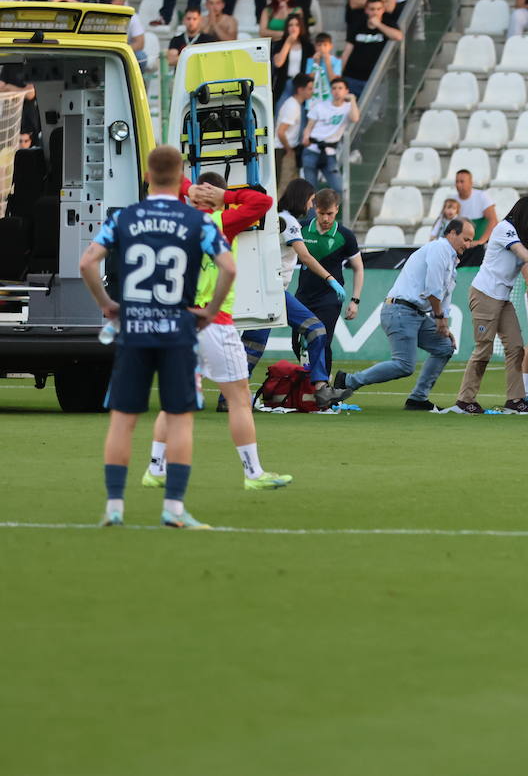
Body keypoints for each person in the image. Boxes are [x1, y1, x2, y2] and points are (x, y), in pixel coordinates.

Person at [78, 146, 233, 529]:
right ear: (182, 178)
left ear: (146, 175)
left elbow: (86, 262)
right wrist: (210, 311)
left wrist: (107, 303)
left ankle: (115, 505)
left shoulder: (125, 218)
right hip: (178, 329)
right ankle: (174, 509)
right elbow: (228, 268)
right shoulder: (201, 221)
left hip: (134, 326)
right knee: (180, 420)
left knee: (123, 419)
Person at [144, 171, 297, 496]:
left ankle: (155, 468)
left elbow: (159, 170)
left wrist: (189, 188)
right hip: (213, 320)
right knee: (239, 398)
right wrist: (223, 197)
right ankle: (253, 472)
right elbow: (264, 201)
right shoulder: (222, 221)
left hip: (178, 319)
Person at [331, 219, 475, 410]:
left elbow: (444, 297)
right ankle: (348, 380)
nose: (468, 245)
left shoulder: (450, 258)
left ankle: (418, 398)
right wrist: (440, 319)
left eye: (470, 241)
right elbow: (433, 291)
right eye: (465, 239)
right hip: (401, 311)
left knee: (444, 347)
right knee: (405, 365)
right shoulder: (440, 249)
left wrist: (444, 325)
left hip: (414, 313)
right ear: (451, 234)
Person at [239, 178, 346, 396]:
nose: (311, 206)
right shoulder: (289, 223)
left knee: (252, 347)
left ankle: (228, 399)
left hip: (266, 291)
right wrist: (330, 278)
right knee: (315, 330)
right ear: (302, 199)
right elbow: (305, 256)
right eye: (310, 200)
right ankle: (321, 388)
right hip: (273, 293)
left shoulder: (277, 218)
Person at [453, 197, 528, 414]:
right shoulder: (505, 229)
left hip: (502, 299)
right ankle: (465, 400)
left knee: (515, 348)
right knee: (484, 348)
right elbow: (526, 255)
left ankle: (515, 399)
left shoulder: (521, 229)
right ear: (525, 217)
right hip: (485, 295)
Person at [300, 77, 359, 194]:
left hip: (329, 151)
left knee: (339, 188)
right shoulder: (320, 106)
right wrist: (305, 137)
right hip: (312, 148)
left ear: (346, 91)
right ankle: (312, 213)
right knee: (310, 192)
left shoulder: (347, 108)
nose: (337, 91)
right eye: (334, 88)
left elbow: (355, 118)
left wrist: (352, 100)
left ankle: (330, 211)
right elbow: (309, 126)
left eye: (340, 88)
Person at [341, 0, 403, 95]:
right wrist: (339, 73)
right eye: (372, 9)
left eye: (378, 9)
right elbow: (347, 51)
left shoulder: (388, 24)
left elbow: (398, 36)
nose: (375, 12)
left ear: (383, 10)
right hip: (353, 77)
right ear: (366, 10)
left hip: (376, 78)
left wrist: (379, 25)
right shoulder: (357, 25)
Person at [276, 73, 313, 177]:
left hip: (284, 148)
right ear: (300, 90)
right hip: (281, 149)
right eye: (310, 89)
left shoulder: (295, 104)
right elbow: (281, 132)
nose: (312, 92)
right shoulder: (292, 106)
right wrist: (289, 150)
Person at [453, 168, 498, 245]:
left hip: (478, 245)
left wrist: (481, 241)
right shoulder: (452, 199)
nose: (458, 184)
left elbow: (493, 220)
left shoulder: (482, 196)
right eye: (457, 181)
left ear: (471, 183)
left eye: (462, 181)